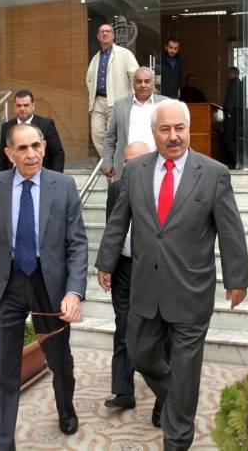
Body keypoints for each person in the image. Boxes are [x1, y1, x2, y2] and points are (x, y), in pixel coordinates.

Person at [95, 99, 248, 450]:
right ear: (154, 133)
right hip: (146, 288)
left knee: (186, 365)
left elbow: (231, 230)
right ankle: (178, 395)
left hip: (191, 289)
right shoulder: (136, 170)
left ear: (188, 129)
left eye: (179, 128)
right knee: (138, 353)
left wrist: (237, 278)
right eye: (165, 129)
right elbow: (119, 221)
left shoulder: (213, 173)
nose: (173, 135)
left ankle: (177, 438)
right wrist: (106, 262)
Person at [0, 123, 88, 450]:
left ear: (44, 147)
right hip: (7, 285)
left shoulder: (63, 186)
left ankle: (65, 407)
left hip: (48, 285)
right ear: (9, 153)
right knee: (2, 369)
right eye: (22, 148)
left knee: (59, 359)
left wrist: (74, 291)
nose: (31, 154)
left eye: (36, 146)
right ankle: (3, 444)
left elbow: (77, 244)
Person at [102, 141, 151, 411]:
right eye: (127, 163)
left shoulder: (161, 187)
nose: (131, 168)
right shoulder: (116, 188)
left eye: (137, 162)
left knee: (155, 331)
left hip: (152, 270)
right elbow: (112, 228)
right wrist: (106, 265)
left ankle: (163, 393)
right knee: (123, 326)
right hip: (123, 267)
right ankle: (123, 391)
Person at [102, 66, 167, 179]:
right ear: (133, 84)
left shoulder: (165, 104)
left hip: (158, 166)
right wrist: (107, 162)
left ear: (153, 83)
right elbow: (110, 137)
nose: (143, 85)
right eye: (139, 81)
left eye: (147, 81)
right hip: (127, 167)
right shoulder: (120, 105)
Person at [85, 23, 139, 156]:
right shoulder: (96, 58)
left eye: (108, 31)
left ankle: (114, 164)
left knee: (114, 136)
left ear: (113, 35)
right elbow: (89, 79)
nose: (105, 33)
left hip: (117, 101)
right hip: (98, 102)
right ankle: (109, 161)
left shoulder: (125, 54)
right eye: (102, 31)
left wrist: (134, 99)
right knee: (97, 135)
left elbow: (135, 76)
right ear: (98, 36)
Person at [0, 89, 65, 173]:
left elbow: (57, 153)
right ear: (14, 106)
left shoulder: (46, 124)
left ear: (33, 106)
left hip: (40, 176)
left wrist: (55, 177)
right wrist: (0, 178)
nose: (22, 109)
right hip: (13, 176)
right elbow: (2, 156)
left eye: (26, 105)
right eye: (18, 105)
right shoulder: (6, 127)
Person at [222, 67, 243, 169]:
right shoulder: (241, 84)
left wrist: (228, 112)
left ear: (232, 73)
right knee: (234, 138)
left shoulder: (233, 83)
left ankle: (237, 160)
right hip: (238, 113)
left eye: (228, 73)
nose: (227, 76)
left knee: (227, 137)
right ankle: (235, 162)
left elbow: (231, 97)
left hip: (233, 112)